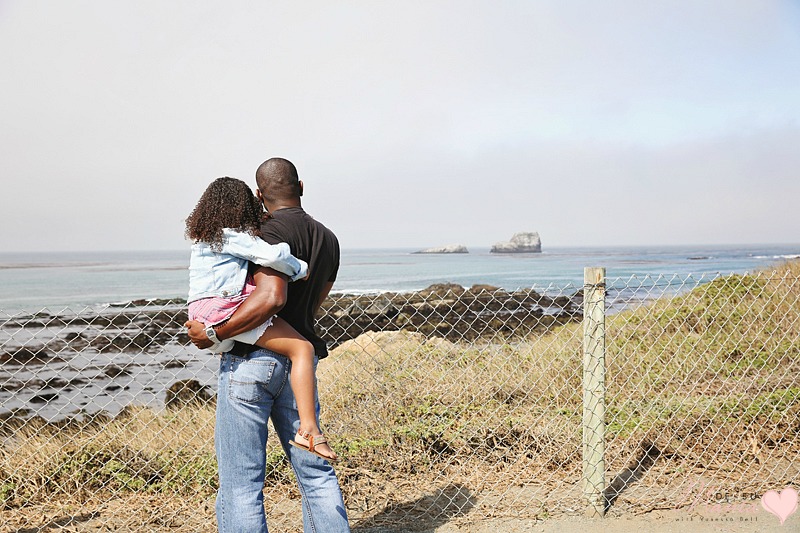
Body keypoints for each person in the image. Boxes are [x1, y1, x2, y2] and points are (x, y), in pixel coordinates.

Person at [185, 158, 350, 533]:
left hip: (252, 360)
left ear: (259, 195)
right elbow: (317, 300)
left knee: (242, 484)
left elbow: (272, 296)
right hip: (298, 362)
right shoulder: (329, 239)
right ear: (301, 187)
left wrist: (216, 333)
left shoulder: (263, 232)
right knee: (316, 474)